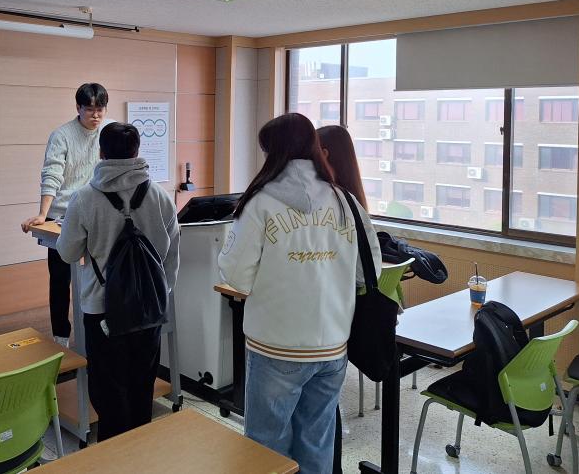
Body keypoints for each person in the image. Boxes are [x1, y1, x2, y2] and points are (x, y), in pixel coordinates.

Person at [218, 113, 380, 473]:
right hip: (333, 346)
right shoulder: (345, 200)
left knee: (266, 448)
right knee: (316, 442)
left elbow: (237, 277)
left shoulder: (259, 202)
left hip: (276, 346)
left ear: (273, 152)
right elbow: (368, 271)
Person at [56, 122, 180, 441]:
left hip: (102, 311)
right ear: (137, 152)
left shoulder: (85, 199)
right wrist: (159, 292)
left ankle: (113, 454)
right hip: (148, 309)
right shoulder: (160, 196)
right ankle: (140, 452)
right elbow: (172, 254)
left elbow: (68, 253)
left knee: (108, 393)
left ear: (101, 153)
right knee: (142, 387)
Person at [21, 82, 111, 347]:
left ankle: (99, 331)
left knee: (101, 273)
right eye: (90, 109)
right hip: (63, 213)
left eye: (100, 109)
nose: (96, 115)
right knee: (61, 279)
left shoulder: (110, 131)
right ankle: (61, 337)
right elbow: (52, 174)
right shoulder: (62, 135)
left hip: (97, 212)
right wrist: (43, 214)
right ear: (78, 108)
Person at [317, 123, 368, 474]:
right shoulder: (353, 200)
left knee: (319, 413)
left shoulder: (328, 201)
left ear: (325, 154)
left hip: (325, 324)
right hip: (340, 326)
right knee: (324, 410)